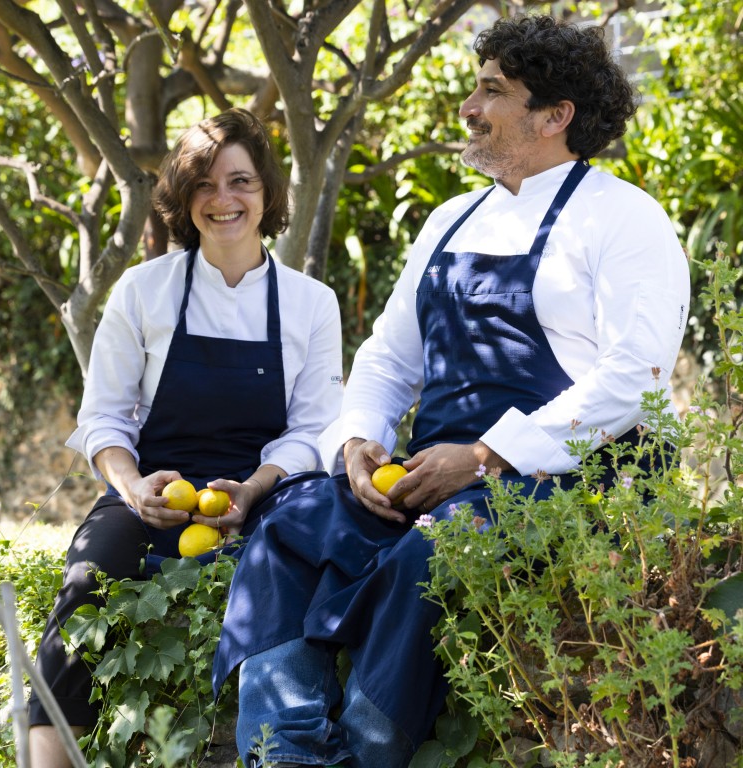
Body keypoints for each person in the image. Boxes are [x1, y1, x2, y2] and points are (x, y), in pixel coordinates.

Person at [212, 14, 692, 768]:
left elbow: (638, 375)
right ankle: (285, 752)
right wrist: (358, 442)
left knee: (430, 558)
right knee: (288, 521)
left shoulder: (624, 218)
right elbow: (386, 357)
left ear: (554, 116)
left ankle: (367, 756)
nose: (468, 105)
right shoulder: (449, 221)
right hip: (434, 471)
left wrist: (486, 456)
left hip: (562, 476)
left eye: (491, 90)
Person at [27, 108, 344, 767]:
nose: (222, 200)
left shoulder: (312, 302)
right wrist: (132, 486)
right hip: (153, 486)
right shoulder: (144, 290)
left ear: (267, 192)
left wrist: (254, 490)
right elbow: (105, 418)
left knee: (308, 576)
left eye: (240, 181)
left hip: (269, 493)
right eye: (202, 183)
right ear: (182, 196)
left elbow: (313, 428)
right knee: (87, 579)